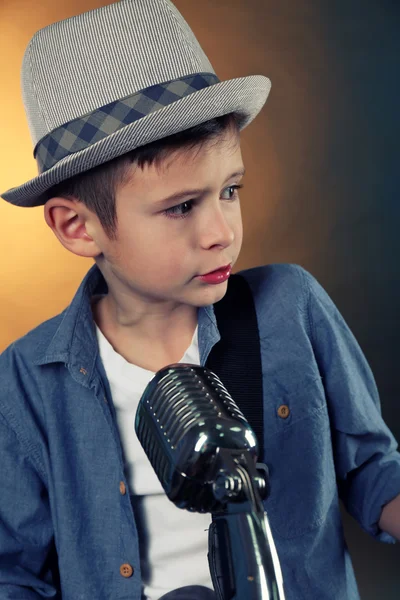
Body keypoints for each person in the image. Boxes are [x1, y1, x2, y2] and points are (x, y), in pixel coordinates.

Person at [0, 1, 399, 599]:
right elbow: (15, 573)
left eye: (230, 190)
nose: (222, 231)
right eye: (182, 206)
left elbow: (375, 472)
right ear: (80, 228)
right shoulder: (27, 381)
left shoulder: (290, 308)